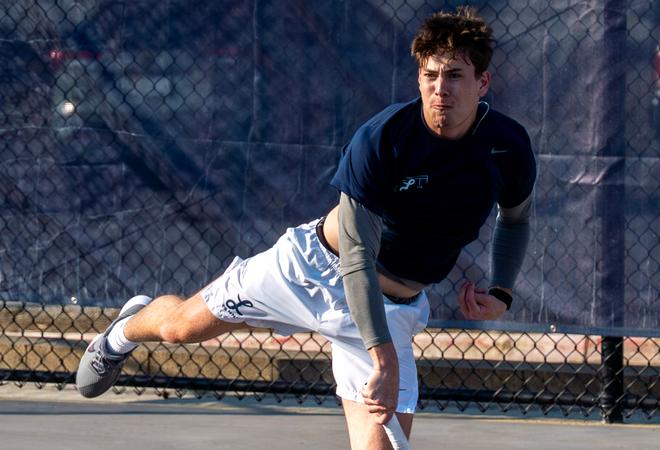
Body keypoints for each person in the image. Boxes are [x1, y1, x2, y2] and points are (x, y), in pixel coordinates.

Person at [76, 6, 535, 450]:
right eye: (430, 75)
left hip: (387, 309)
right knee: (179, 329)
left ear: (483, 82)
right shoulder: (382, 139)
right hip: (308, 270)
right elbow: (356, 257)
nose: (441, 89)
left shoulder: (507, 147)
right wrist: (385, 357)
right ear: (418, 78)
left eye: (455, 75)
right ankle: (121, 333)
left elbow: (515, 219)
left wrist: (502, 291)